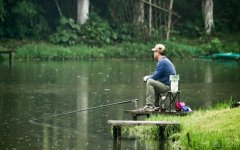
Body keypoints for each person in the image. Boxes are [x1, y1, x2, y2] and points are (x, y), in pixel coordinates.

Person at [142, 44, 176, 111]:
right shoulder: (164, 60)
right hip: (170, 86)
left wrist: (147, 78)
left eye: (154, 51)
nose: (153, 53)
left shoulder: (162, 62)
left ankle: (149, 105)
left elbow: (154, 77)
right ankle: (156, 105)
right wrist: (149, 77)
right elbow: (157, 75)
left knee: (150, 82)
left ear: (158, 52)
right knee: (153, 82)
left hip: (167, 86)